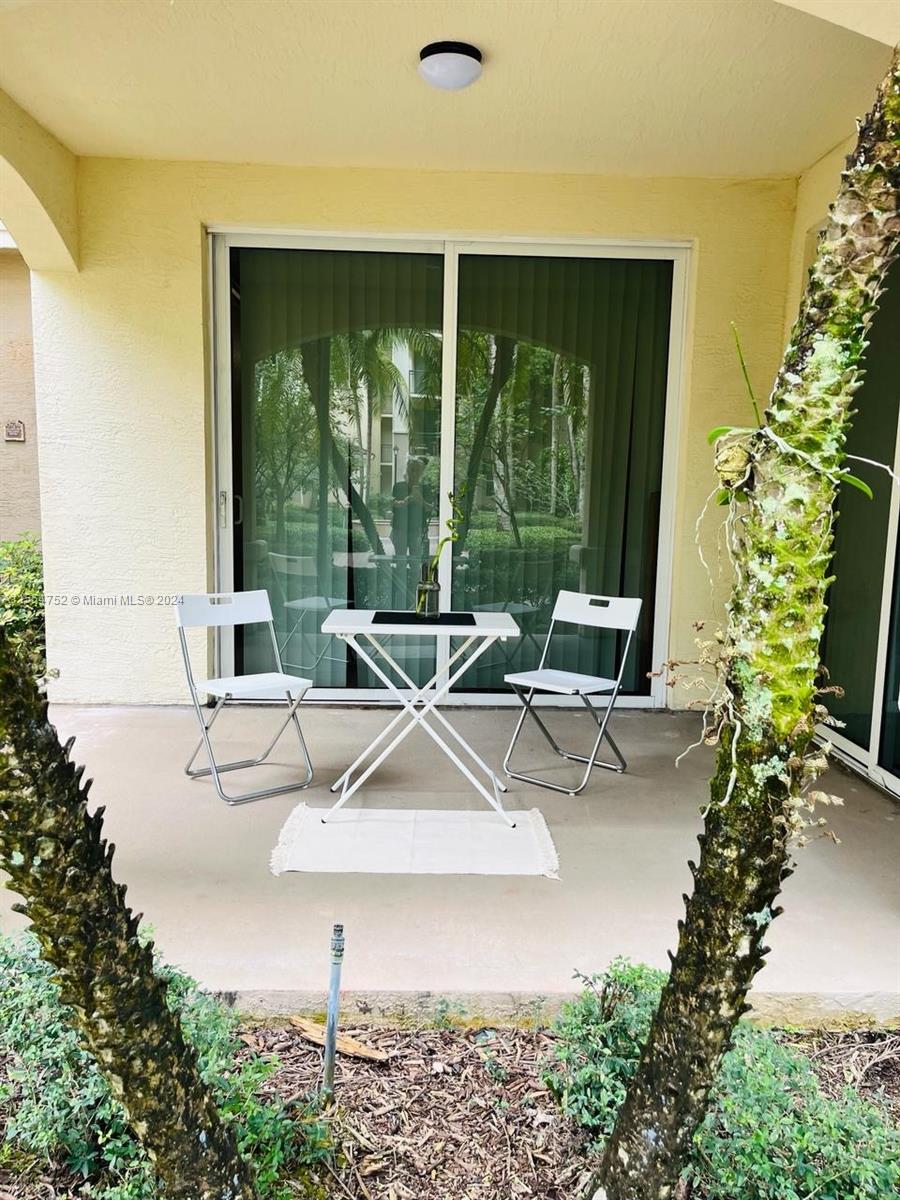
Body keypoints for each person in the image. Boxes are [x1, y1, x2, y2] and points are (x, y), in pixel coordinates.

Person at [391, 456, 432, 559]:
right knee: (400, 561)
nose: (414, 473)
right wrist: (404, 502)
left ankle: (414, 575)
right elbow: (392, 507)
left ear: (421, 472)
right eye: (412, 470)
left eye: (417, 471)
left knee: (416, 562)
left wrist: (420, 500)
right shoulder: (399, 487)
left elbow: (430, 509)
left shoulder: (426, 489)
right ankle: (401, 576)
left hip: (417, 530)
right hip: (399, 530)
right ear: (407, 471)